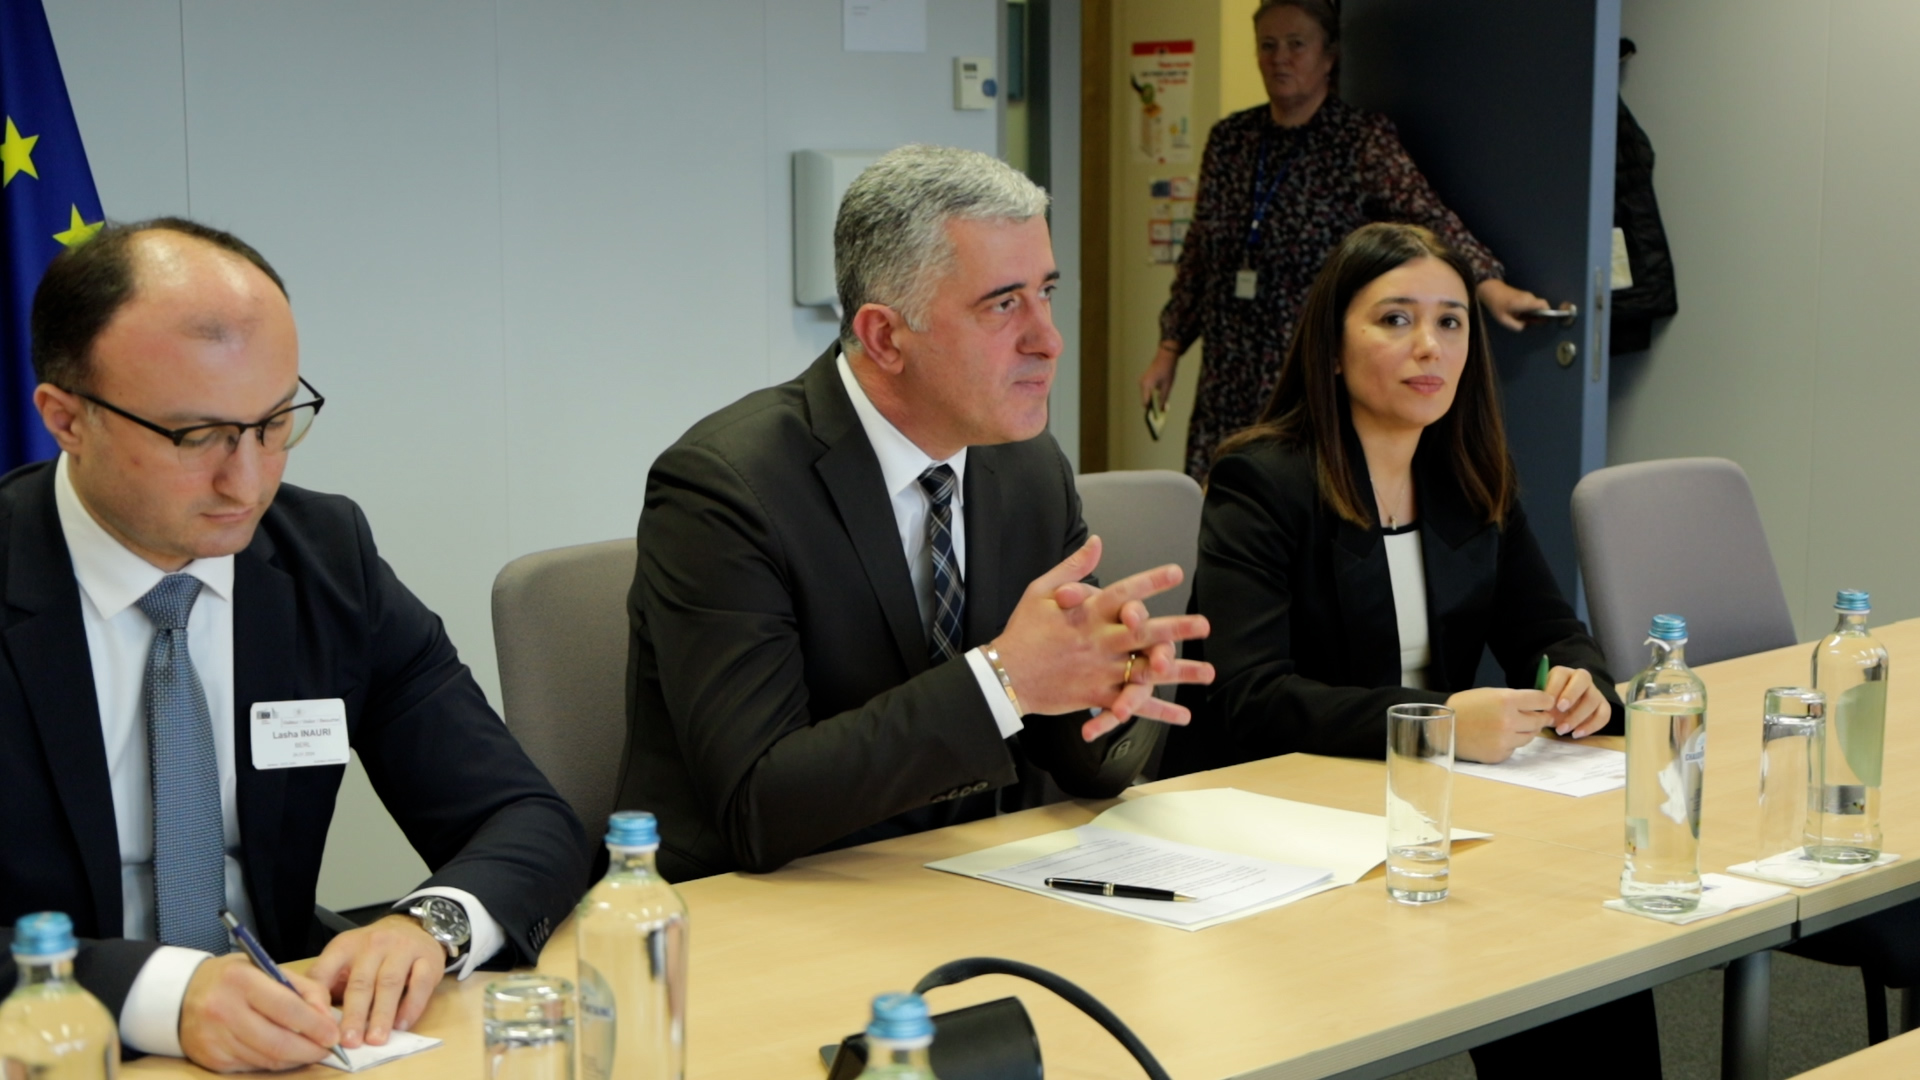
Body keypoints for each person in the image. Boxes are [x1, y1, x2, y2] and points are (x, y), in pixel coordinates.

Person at [0, 219, 588, 1072]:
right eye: (195, 436)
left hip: (287, 1040)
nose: (247, 480)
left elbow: (524, 817)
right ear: (66, 419)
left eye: (274, 422)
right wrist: (160, 995)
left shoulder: (324, 558)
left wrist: (431, 925)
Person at [617, 144, 1213, 882]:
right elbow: (756, 806)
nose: (1049, 340)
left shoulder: (1027, 467)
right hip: (765, 904)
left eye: (1046, 292)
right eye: (1004, 305)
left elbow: (1081, 765)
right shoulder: (726, 489)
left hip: (970, 880)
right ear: (884, 336)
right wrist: (1005, 679)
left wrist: (1107, 680)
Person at [1164, 221, 1655, 1076]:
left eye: (1450, 321)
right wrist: (1438, 723)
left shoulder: (1469, 476)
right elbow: (1250, 697)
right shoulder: (1262, 481)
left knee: (1583, 937)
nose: (1429, 345)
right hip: (1278, 816)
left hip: (1428, 814)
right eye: (1395, 319)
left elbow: (1549, 632)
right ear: (1332, 347)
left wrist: (1580, 681)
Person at [1138, 0, 1552, 480]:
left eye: (1296, 44)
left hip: (1305, 358)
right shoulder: (1230, 140)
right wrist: (1169, 348)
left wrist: (1489, 286)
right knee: (1224, 486)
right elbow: (1197, 255)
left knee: (1293, 490)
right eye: (1268, 45)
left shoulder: (1358, 139)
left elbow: (1428, 216)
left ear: (1329, 55)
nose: (1280, 58)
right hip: (1228, 362)